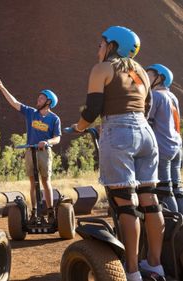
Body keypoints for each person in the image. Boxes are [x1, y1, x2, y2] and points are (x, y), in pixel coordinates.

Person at [71, 26, 165, 281]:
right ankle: (156, 266)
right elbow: (146, 108)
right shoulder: (143, 73)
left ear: (112, 45)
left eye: (101, 44)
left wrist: (79, 128)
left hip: (118, 130)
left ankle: (132, 271)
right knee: (150, 200)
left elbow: (92, 110)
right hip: (146, 135)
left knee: (125, 203)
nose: (98, 48)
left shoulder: (102, 69)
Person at [0, 77, 61, 224]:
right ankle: (34, 212)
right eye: (39, 97)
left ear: (48, 102)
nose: (38, 99)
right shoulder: (31, 112)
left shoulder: (54, 119)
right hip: (30, 151)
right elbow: (15, 103)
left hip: (44, 152)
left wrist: (47, 142)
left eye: (41, 98)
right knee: (32, 182)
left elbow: (57, 138)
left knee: (45, 181)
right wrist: (2, 88)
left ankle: (50, 211)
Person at [146, 64, 183, 213]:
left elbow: (147, 121)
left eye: (149, 75)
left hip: (162, 147)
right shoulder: (172, 96)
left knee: (165, 190)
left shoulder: (155, 96)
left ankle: (174, 226)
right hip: (176, 147)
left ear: (159, 78)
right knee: (177, 187)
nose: (146, 78)